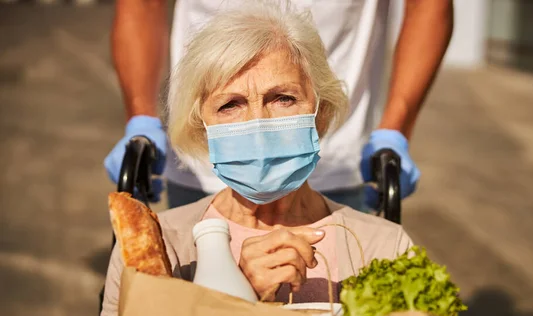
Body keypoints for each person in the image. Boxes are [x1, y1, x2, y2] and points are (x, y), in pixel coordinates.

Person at [93, 5, 419, 316]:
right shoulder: (162, 253)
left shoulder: (385, 249)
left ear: (320, 112)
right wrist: (232, 302)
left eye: (282, 98)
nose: (259, 125)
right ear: (202, 128)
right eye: (230, 105)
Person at [104, 0, 453, 211]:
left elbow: (428, 7)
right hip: (206, 154)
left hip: (333, 158)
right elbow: (142, 6)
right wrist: (141, 119)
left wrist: (395, 130)